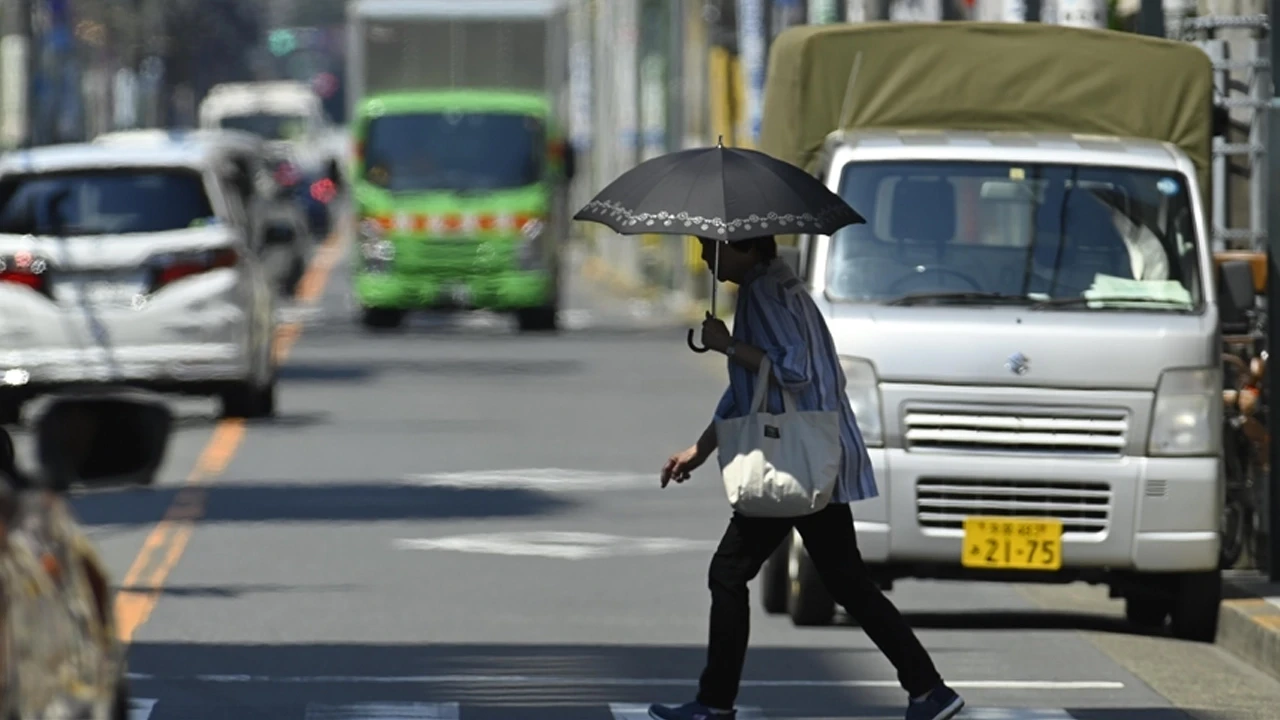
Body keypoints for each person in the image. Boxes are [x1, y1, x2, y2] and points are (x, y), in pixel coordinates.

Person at [649, 236, 964, 720]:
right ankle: (929, 689)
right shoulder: (781, 287)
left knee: (729, 574)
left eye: (712, 247)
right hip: (812, 457)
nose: (705, 258)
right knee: (848, 582)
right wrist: (700, 448)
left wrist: (728, 344)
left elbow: (792, 371)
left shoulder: (766, 293)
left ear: (746, 247)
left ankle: (714, 703)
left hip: (792, 461)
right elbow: (748, 394)